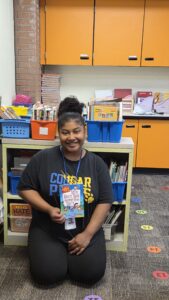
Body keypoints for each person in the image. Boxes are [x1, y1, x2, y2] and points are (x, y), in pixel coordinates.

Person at [18, 96, 113, 286]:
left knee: (89, 275)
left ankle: (71, 255)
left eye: (76, 131)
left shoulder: (97, 164)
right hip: (48, 230)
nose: (71, 137)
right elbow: (24, 188)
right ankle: (56, 256)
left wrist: (87, 235)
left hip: (85, 228)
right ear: (58, 133)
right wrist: (48, 209)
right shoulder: (43, 158)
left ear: (85, 131)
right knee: (47, 276)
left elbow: (105, 201)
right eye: (65, 132)